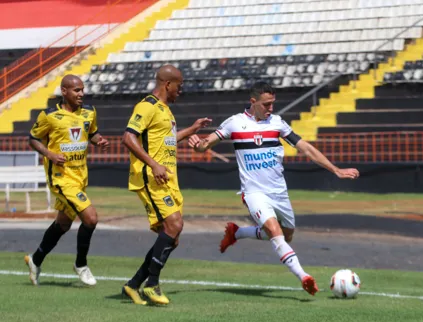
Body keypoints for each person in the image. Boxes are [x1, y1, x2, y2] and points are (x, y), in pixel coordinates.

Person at [188, 82, 360, 296]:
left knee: (286, 236)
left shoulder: (277, 123)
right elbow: (206, 144)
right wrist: (198, 144)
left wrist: (336, 170)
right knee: (275, 231)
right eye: (266, 104)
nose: (271, 108)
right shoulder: (235, 123)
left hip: (279, 193)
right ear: (253, 102)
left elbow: (304, 147)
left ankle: (238, 232)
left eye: (273, 103)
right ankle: (304, 276)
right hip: (253, 193)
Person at [121, 65, 211, 305]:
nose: (180, 91)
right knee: (174, 225)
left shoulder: (165, 111)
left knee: (172, 236)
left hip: (168, 179)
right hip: (151, 178)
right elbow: (128, 137)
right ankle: (152, 285)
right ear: (167, 84)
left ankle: (133, 285)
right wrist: (153, 165)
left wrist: (191, 130)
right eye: (179, 86)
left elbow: (166, 140)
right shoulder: (147, 106)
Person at [25, 74, 110, 286]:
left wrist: (98, 141)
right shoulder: (50, 116)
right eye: (76, 90)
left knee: (62, 224)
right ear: (64, 91)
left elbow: (92, 133)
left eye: (82, 89)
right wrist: (50, 155)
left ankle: (35, 260)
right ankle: (81, 264)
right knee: (90, 218)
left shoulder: (89, 112)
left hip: (80, 176)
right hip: (61, 178)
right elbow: (33, 139)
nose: (81, 94)